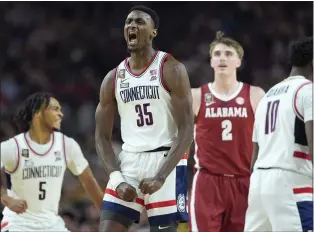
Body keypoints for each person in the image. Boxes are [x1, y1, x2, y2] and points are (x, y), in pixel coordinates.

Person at [95, 5, 194, 232]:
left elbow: (187, 129)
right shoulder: (113, 78)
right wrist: (117, 179)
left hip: (165, 160)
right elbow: (101, 136)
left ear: (153, 32)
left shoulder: (171, 69)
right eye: (129, 21)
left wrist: (161, 176)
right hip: (129, 161)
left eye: (140, 22)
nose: (132, 25)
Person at [189, 32, 265, 232]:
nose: (222, 58)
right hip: (208, 181)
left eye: (229, 54)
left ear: (239, 61)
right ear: (211, 61)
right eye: (217, 54)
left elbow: (268, 140)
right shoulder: (196, 96)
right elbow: (178, 137)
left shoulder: (255, 95)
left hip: (245, 180)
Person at [0, 92, 103, 232]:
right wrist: (6, 198)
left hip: (50, 224)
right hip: (18, 224)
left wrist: (108, 216)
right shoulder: (12, 147)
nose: (60, 114)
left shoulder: (67, 145)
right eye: (54, 109)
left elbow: (89, 182)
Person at [244, 37, 313, 232]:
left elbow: (254, 156)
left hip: (259, 182)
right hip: (292, 182)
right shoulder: (308, 91)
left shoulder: (268, 95)